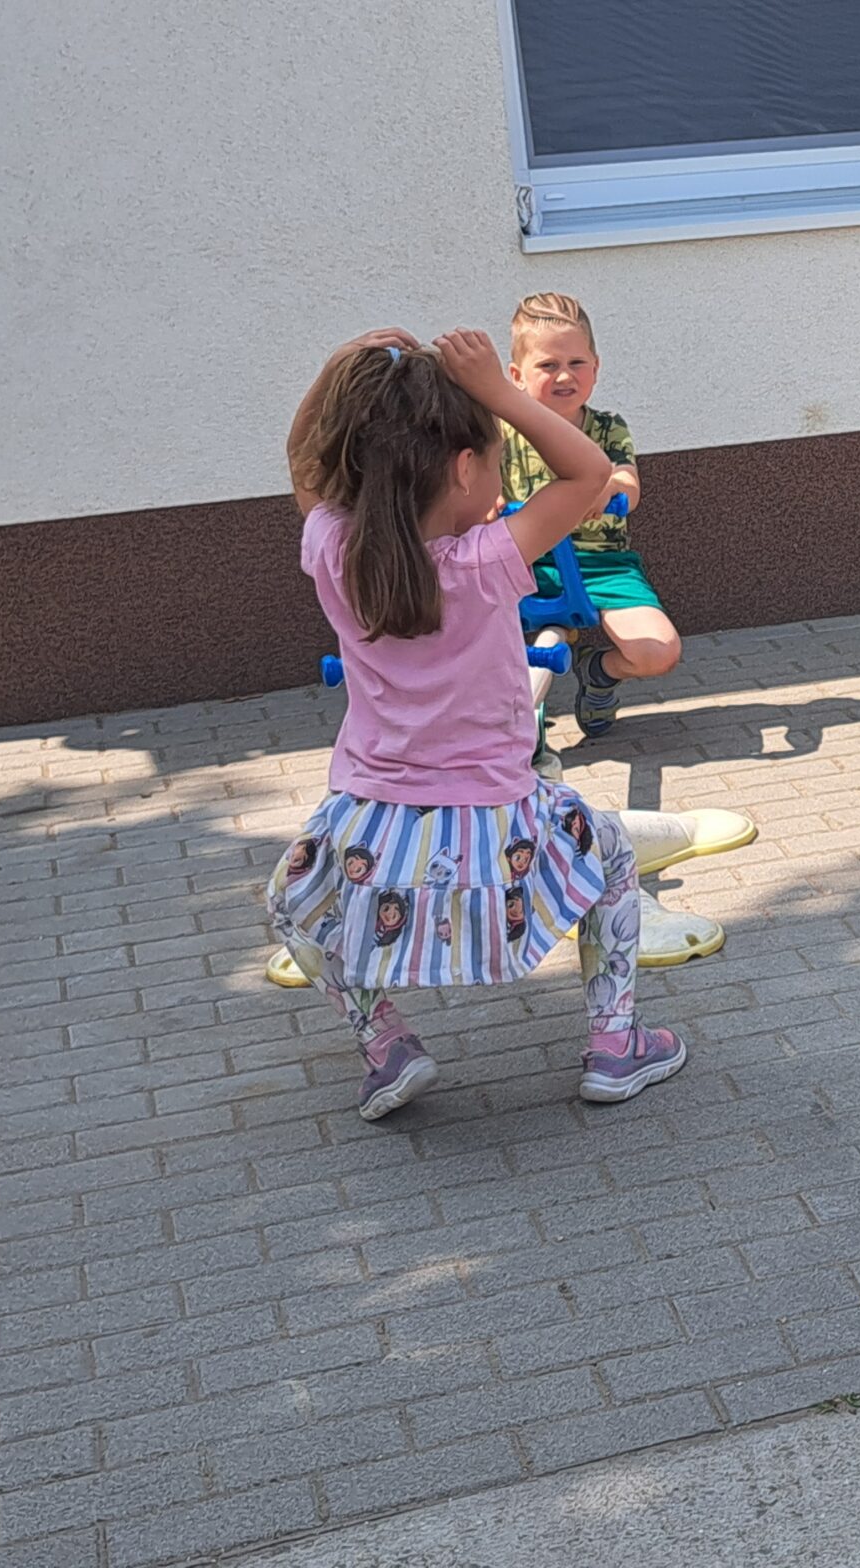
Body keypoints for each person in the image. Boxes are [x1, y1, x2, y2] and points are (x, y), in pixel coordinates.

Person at [268, 327, 688, 1121]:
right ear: (464, 469)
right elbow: (589, 473)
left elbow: (302, 465)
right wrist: (497, 390)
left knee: (293, 900)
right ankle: (615, 1044)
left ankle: (385, 1045)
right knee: (612, 855)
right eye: (494, 459)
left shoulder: (335, 549)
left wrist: (337, 370)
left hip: (370, 830)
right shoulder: (486, 560)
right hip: (502, 828)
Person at [501, 292, 681, 748]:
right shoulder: (500, 431)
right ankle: (507, 723)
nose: (565, 375)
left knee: (658, 652)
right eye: (548, 365)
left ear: (596, 368)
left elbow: (628, 482)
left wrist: (611, 488)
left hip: (603, 565)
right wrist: (485, 501)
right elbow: (474, 479)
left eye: (576, 363)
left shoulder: (607, 429)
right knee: (475, 645)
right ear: (517, 376)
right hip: (524, 562)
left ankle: (598, 671)